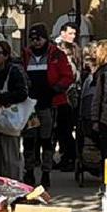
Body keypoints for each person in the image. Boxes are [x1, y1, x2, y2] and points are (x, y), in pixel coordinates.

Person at [20, 24, 74, 187]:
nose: (36, 42)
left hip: (49, 104)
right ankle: (29, 171)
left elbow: (67, 76)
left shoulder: (57, 54)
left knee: (46, 140)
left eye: (39, 38)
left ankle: (46, 173)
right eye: (33, 39)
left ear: (45, 38)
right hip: (30, 106)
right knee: (29, 139)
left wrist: (55, 89)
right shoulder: (26, 55)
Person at [0, 38, 28, 180]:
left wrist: (1, 98)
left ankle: (14, 186)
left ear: (6, 55)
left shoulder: (14, 71)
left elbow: (22, 93)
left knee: (11, 158)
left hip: (9, 119)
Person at [55, 22, 82, 172]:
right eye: (70, 33)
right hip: (63, 93)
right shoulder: (57, 48)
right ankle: (66, 156)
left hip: (71, 93)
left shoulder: (75, 48)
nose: (73, 36)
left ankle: (69, 157)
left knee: (65, 128)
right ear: (62, 32)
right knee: (62, 129)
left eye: (74, 34)